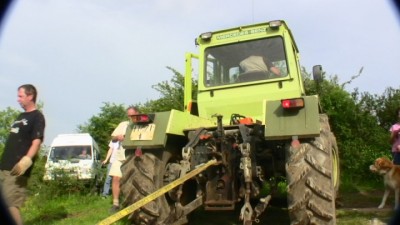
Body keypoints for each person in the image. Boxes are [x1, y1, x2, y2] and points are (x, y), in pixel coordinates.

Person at [0, 84, 46, 225]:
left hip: (16, 169)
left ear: (30, 96)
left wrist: (26, 160)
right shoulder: (21, 116)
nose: (18, 99)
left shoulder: (37, 117)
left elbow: (36, 142)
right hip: (4, 167)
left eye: (20, 96)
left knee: (10, 204)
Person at [108, 106, 139, 213]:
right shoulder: (123, 124)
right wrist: (118, 137)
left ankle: (133, 203)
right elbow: (113, 138)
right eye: (128, 115)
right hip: (120, 156)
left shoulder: (142, 125)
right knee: (116, 179)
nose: (130, 117)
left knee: (133, 181)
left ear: (137, 113)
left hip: (134, 157)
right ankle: (115, 204)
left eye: (132, 115)